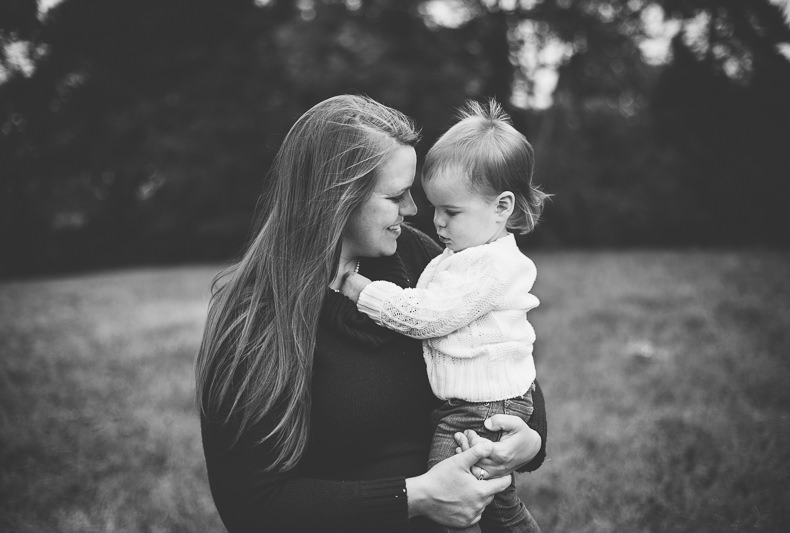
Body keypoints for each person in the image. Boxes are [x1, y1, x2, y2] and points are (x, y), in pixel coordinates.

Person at [195, 94, 547, 533]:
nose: (415, 211)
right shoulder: (252, 319)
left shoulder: (421, 257)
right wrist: (416, 497)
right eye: (397, 195)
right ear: (337, 199)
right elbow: (252, 506)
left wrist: (527, 443)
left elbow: (503, 363)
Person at [340, 99, 548, 532]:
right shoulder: (461, 254)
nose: (431, 221)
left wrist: (362, 292)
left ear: (502, 207)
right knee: (497, 502)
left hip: (480, 409)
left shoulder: (489, 265)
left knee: (453, 500)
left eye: (450, 212)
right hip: (469, 402)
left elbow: (428, 316)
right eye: (407, 199)